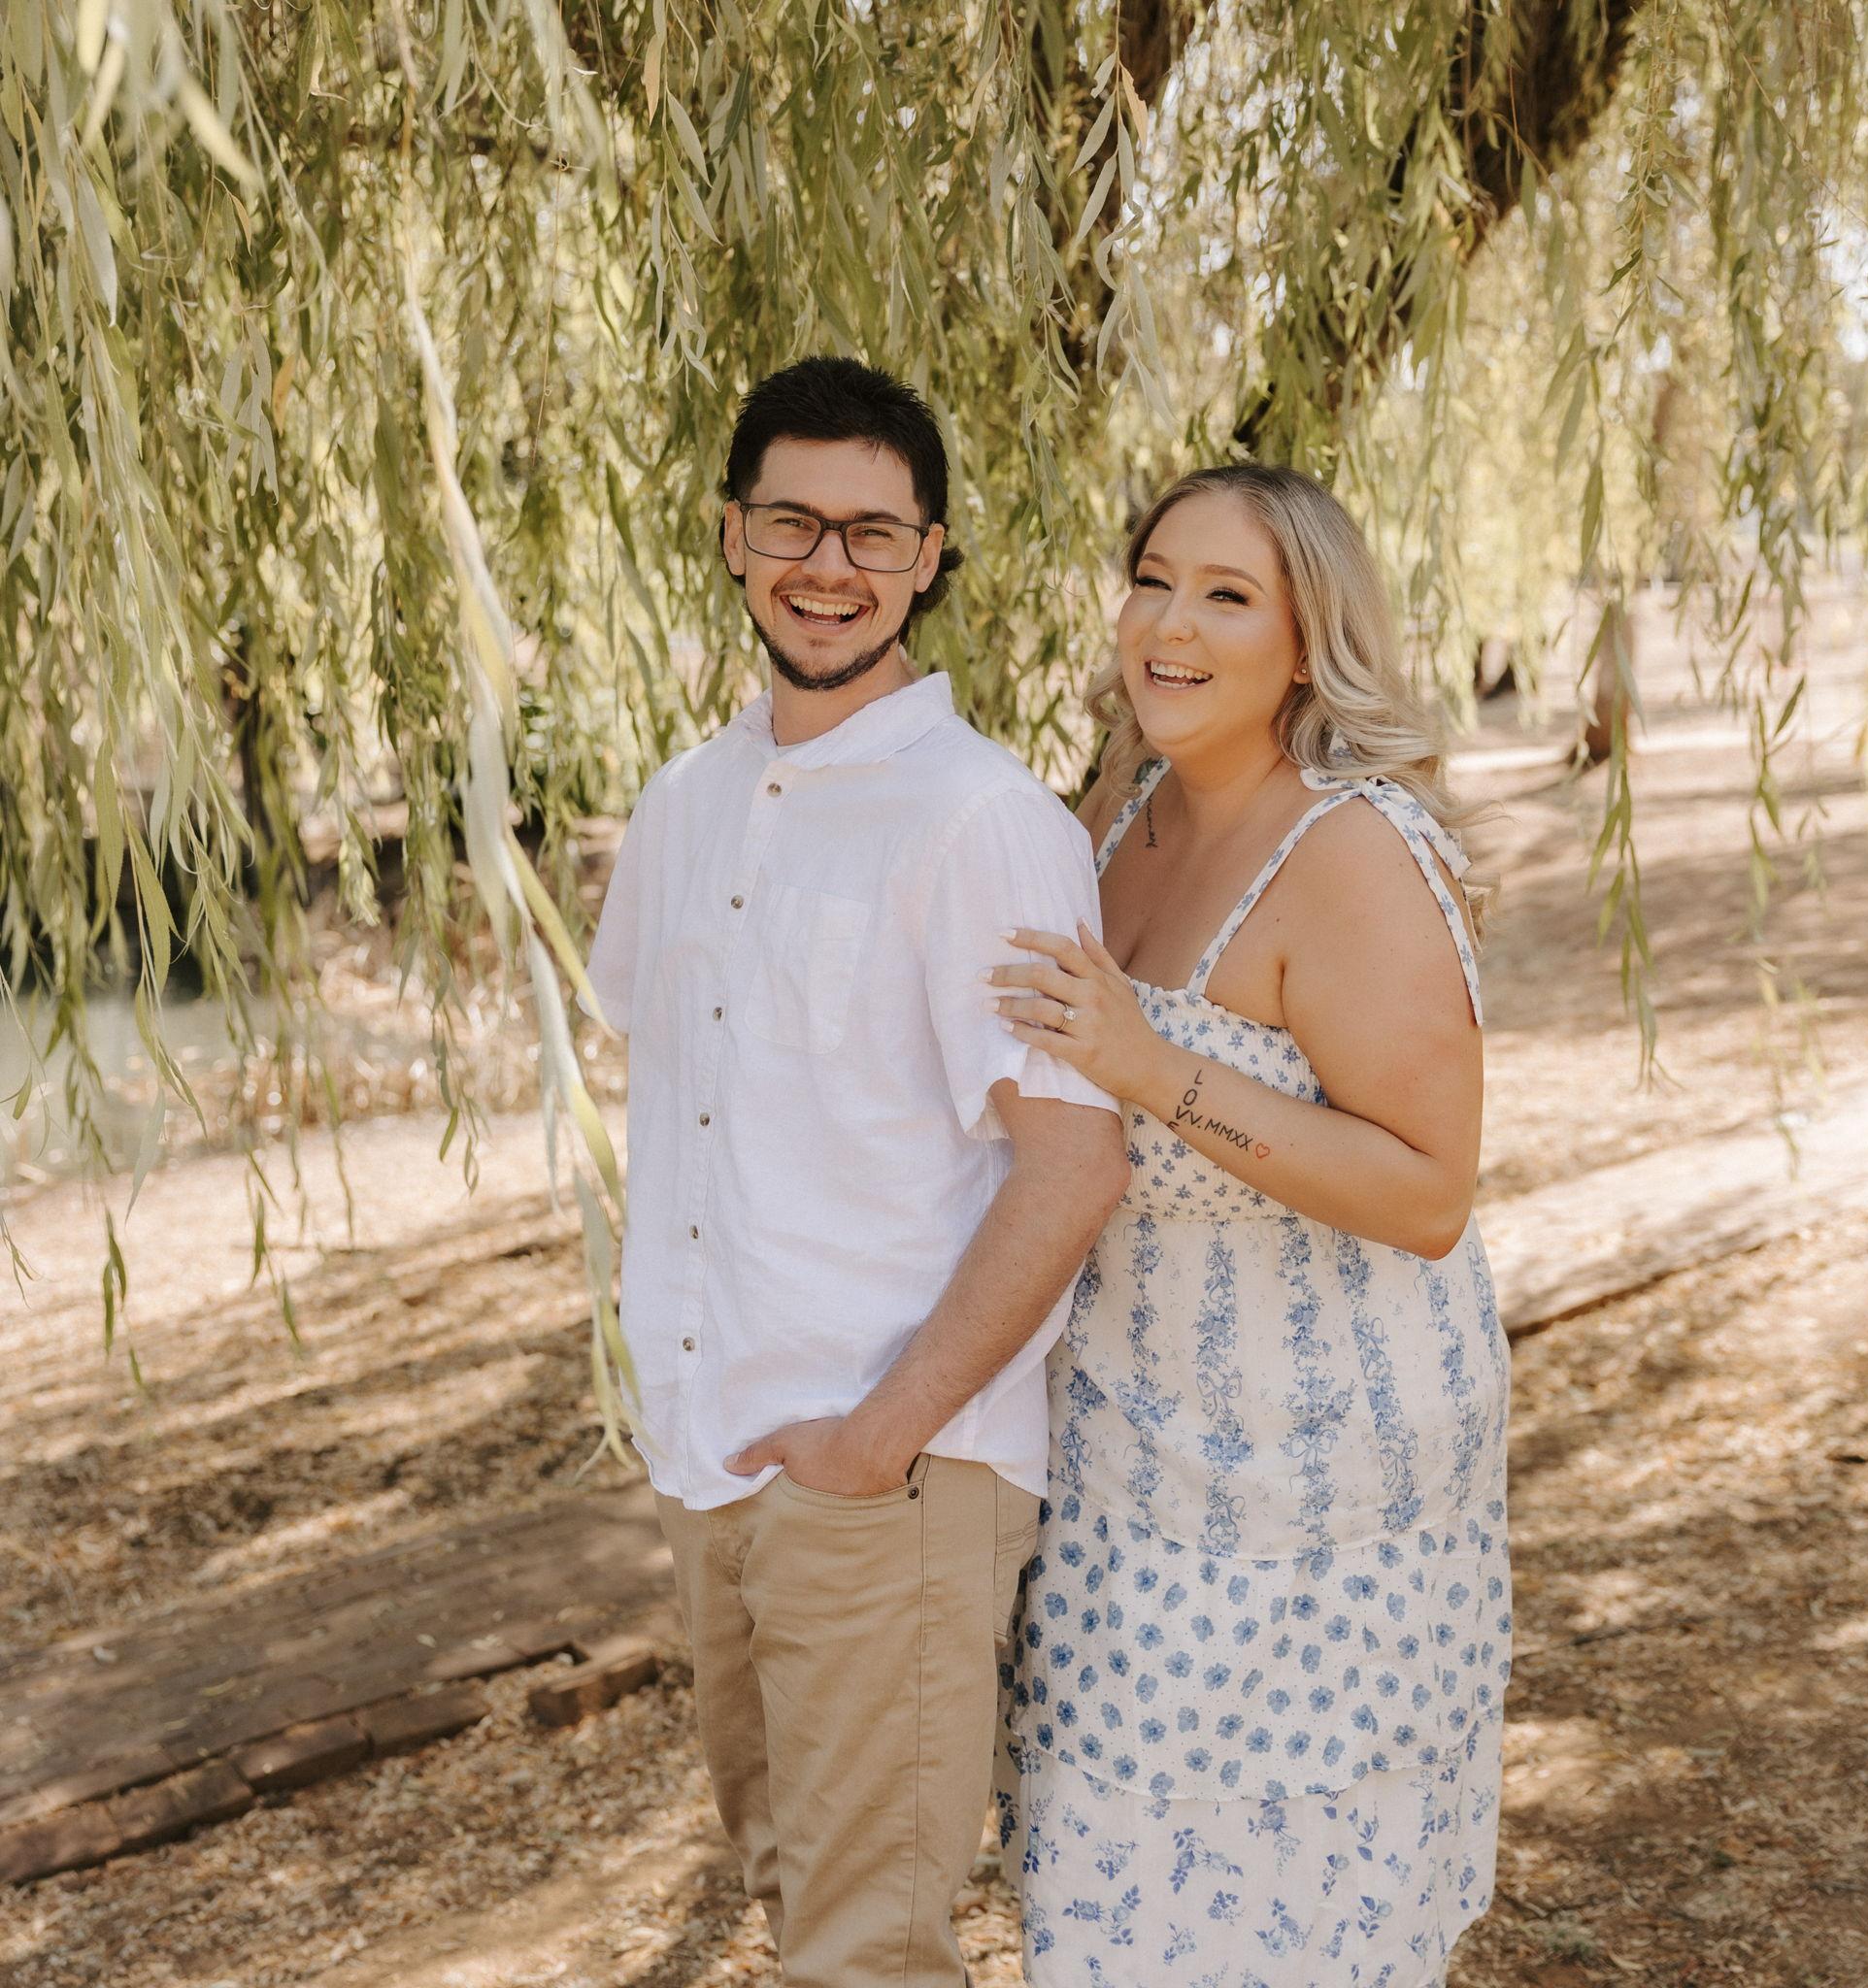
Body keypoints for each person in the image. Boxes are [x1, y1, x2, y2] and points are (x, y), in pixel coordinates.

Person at [585, 356, 1130, 1988]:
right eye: (793, 523)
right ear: (732, 534)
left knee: (867, 1952)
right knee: (794, 1905)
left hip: (889, 1473)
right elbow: (688, 1110)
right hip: (713, 1461)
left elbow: (1071, 1168)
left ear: (930, 557)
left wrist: (878, 1439)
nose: (830, 567)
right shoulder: (684, 805)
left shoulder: (983, 824)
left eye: (874, 534)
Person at [987, 465, 1510, 1985]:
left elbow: (1428, 1190)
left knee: (1291, 1925)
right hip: (1119, 1460)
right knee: (1106, 1900)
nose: (1170, 623)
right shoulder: (1119, 810)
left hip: (1323, 1499)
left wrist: (1153, 1066)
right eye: (1154, 579)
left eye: (1226, 596)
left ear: (1305, 642)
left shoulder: (1355, 853)